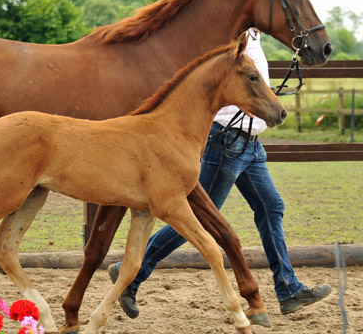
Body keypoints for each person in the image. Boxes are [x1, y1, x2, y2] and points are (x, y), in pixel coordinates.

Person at [108, 28, 332, 318]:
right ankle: (132, 276)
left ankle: (288, 289)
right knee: (197, 219)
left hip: (251, 144)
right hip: (227, 140)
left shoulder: (253, 36)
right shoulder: (227, 35)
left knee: (271, 207)